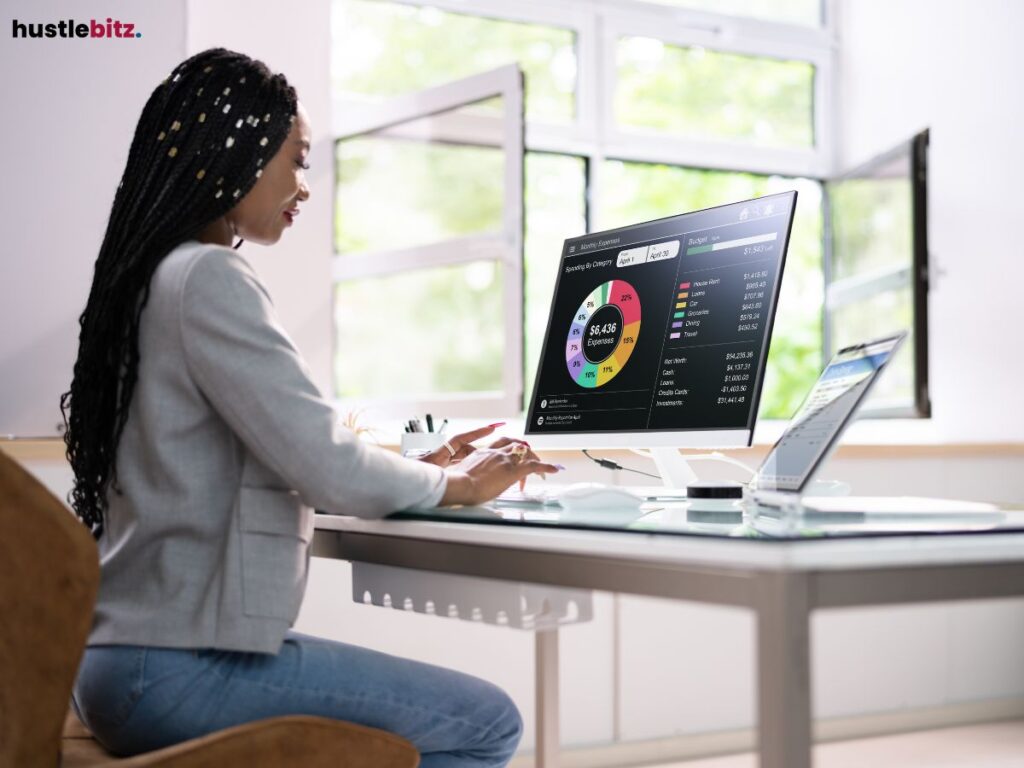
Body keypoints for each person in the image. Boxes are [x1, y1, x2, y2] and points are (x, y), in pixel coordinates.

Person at [61, 47, 559, 767]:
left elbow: (287, 447)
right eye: (294, 159)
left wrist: (407, 464)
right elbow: (326, 467)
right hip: (175, 669)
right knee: (489, 723)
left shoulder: (151, 278)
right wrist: (460, 484)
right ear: (227, 153)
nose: (303, 185)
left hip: (117, 666)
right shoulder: (208, 276)